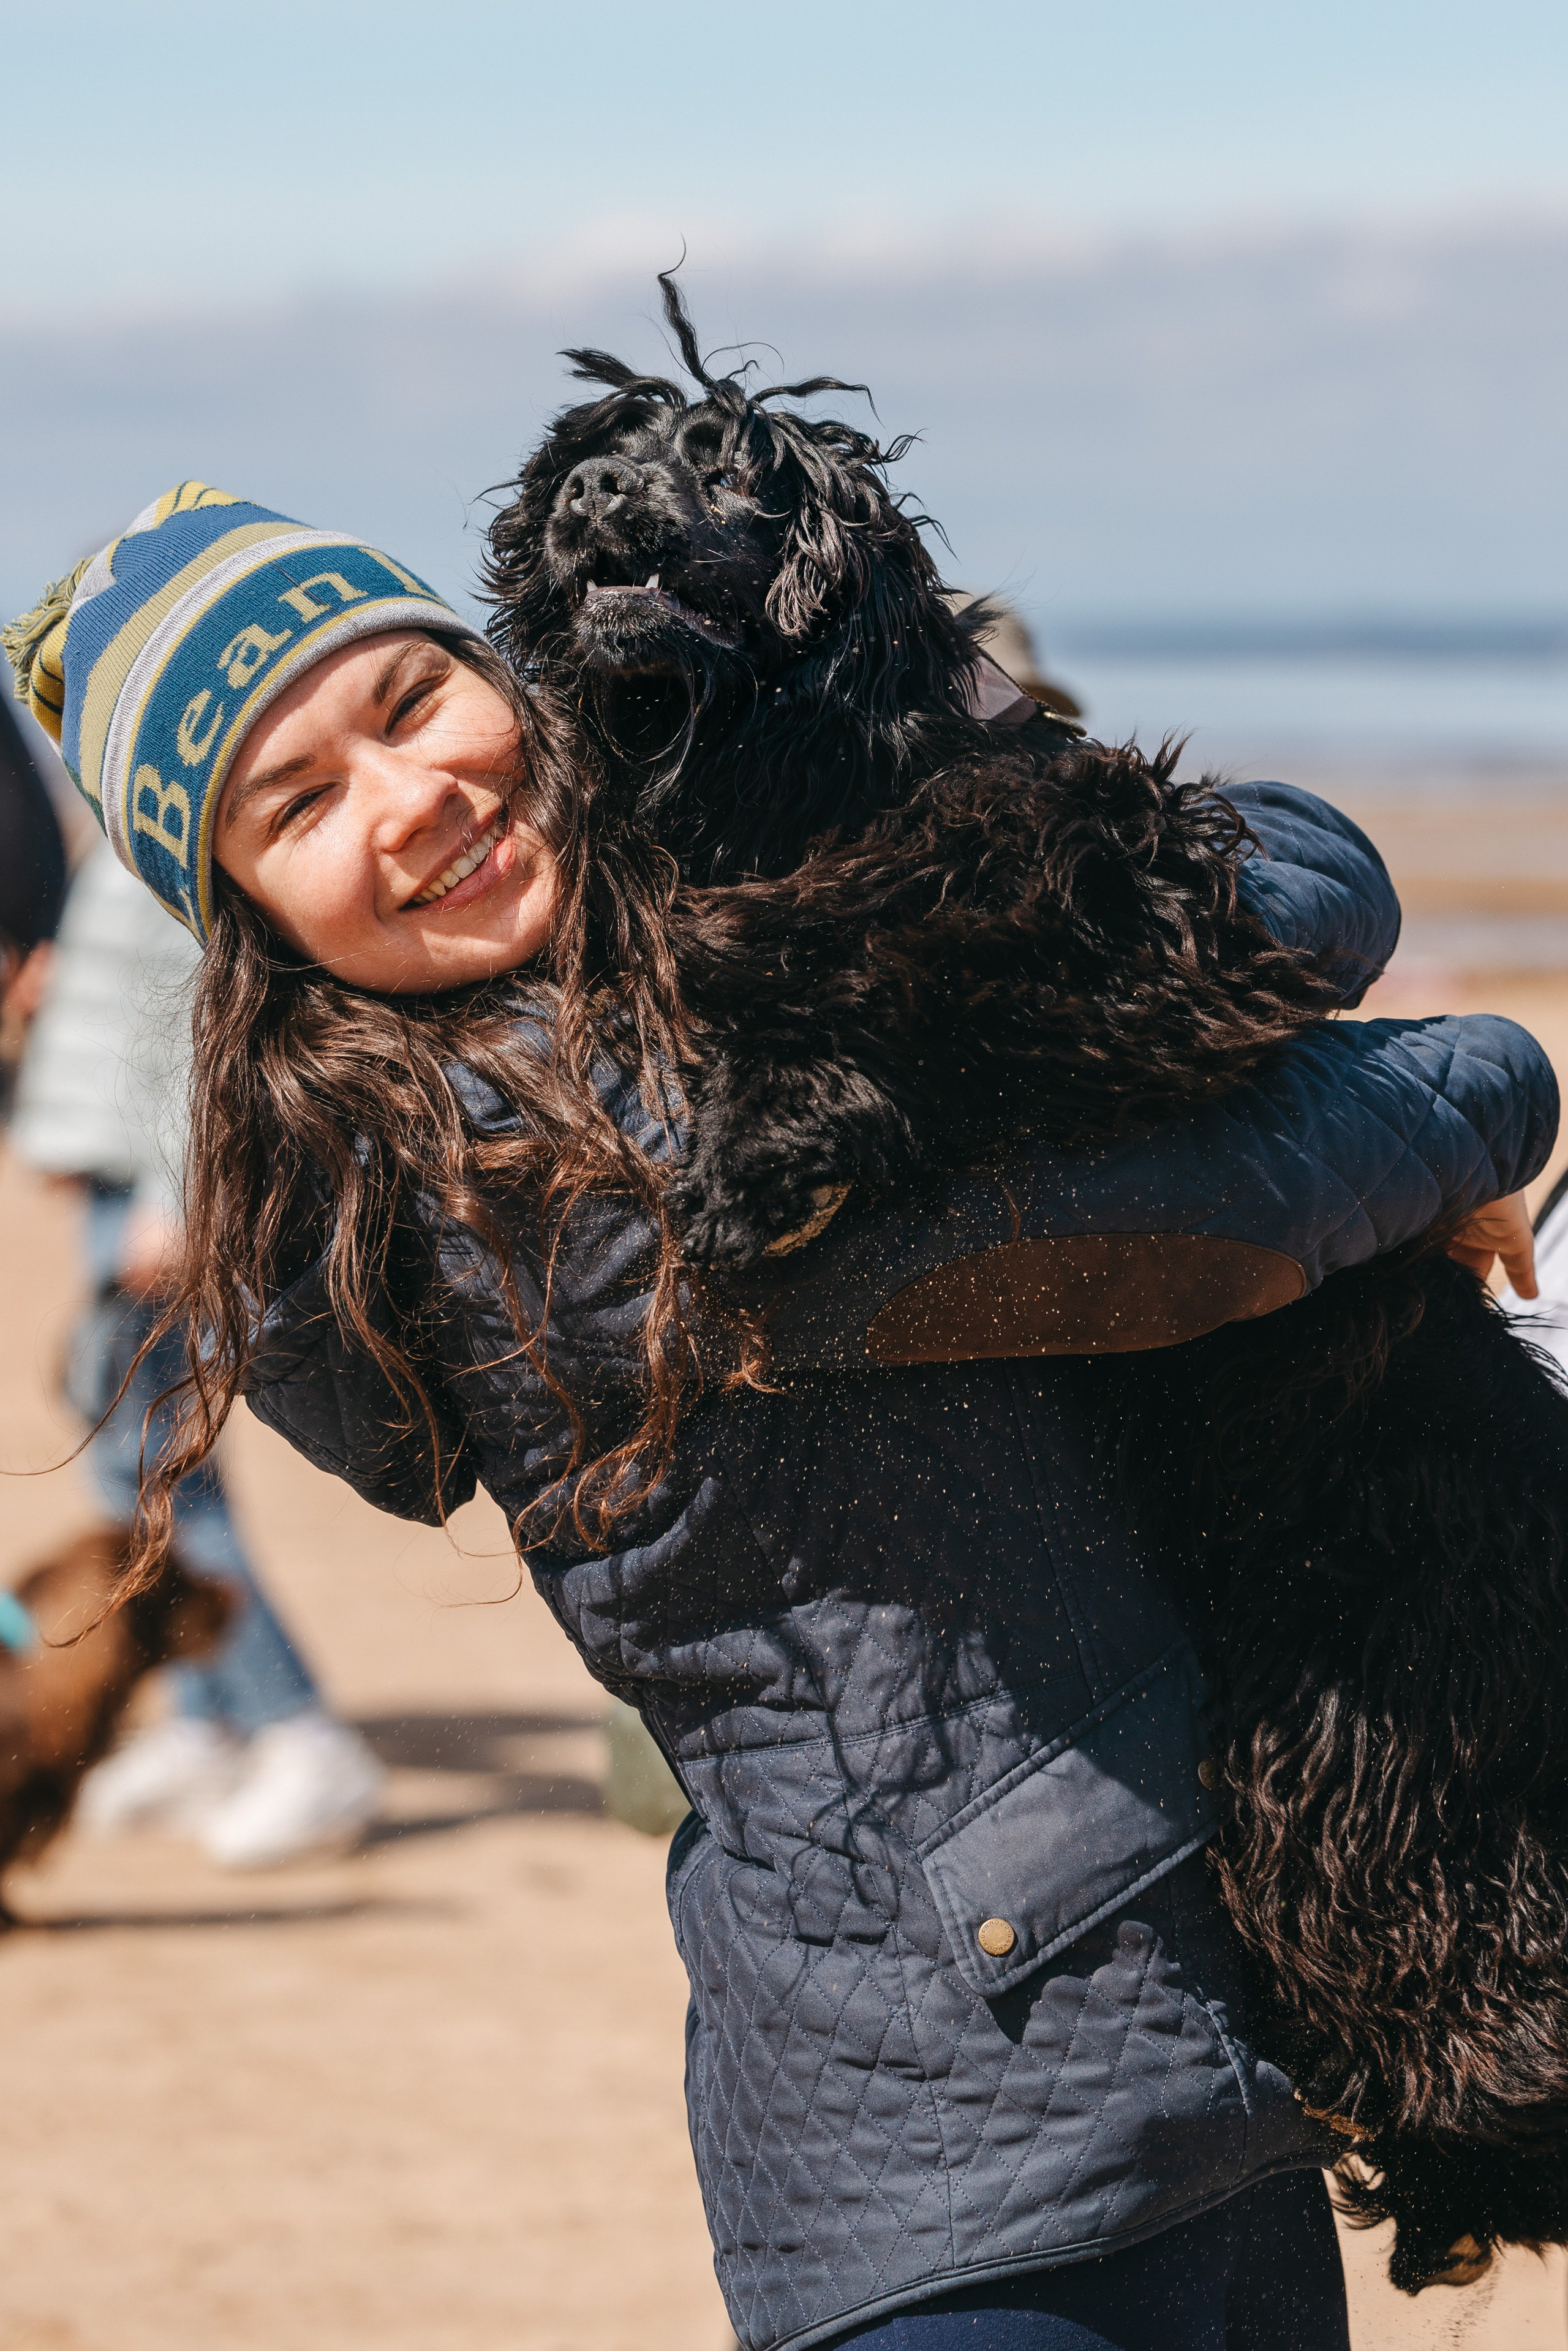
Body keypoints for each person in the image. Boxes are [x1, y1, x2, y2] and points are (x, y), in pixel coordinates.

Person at [6, 481, 1552, 2351]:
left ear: (522, 680)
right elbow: (1204, 1218)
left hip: (1192, 2064)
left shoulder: (718, 964)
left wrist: (1146, 921)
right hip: (963, 2162)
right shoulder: (569, 1167)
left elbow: (1264, 875)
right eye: (298, 804)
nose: (407, 799)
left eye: (411, 701)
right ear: (243, 916)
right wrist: (1487, 1092)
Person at [9, 834, 383, 1871]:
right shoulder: (117, 795)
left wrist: (185, 1198)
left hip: (170, 1196)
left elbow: (218, 1006)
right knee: (128, 1472)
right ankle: (203, 1722)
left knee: (169, 1478)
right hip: (120, 1176)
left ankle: (297, 1731)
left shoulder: (185, 815)